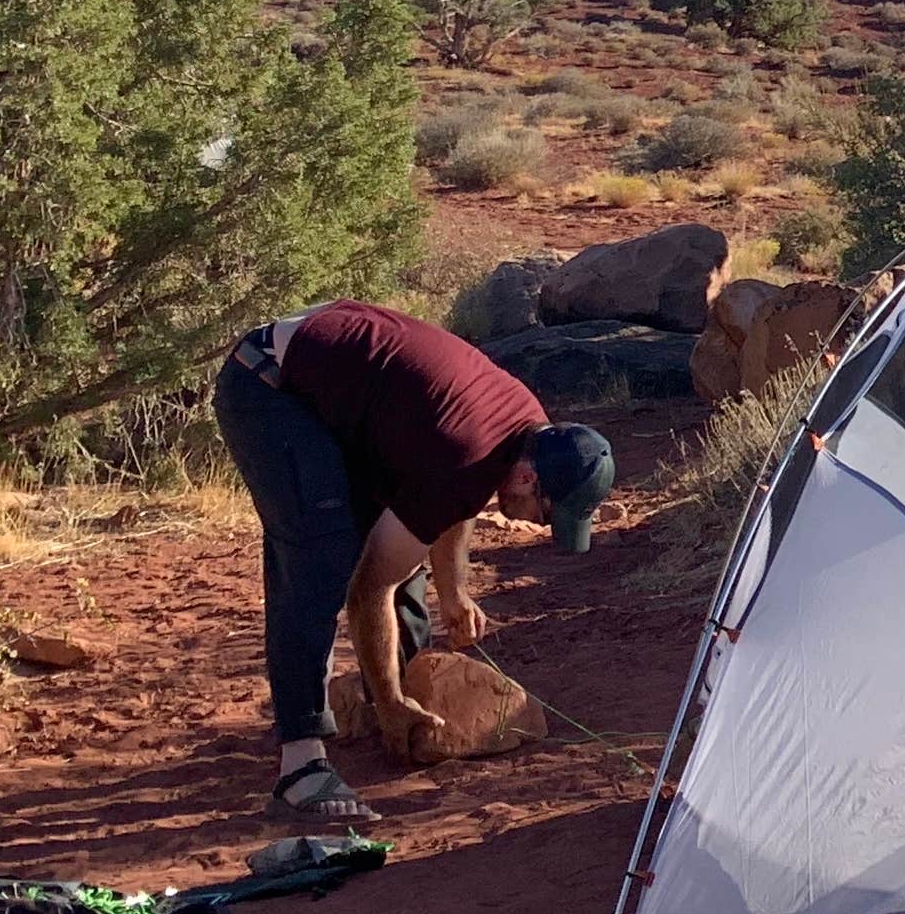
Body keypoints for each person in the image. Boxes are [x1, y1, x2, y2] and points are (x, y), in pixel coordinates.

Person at [209, 300, 616, 822]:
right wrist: (388, 701)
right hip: (268, 385)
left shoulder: (526, 429)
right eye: (546, 513)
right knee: (321, 559)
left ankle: (406, 697)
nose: (536, 526)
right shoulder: (466, 450)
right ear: (529, 479)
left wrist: (455, 592)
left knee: (401, 551)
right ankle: (302, 764)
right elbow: (370, 588)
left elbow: (454, 501)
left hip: (338, 399)